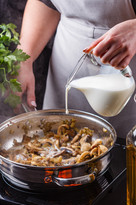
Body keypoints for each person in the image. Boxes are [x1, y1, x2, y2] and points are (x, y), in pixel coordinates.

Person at [17, 0, 136, 138]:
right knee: (56, 140)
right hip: (67, 57)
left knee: (127, 150)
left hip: (127, 69)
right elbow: (45, 3)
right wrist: (23, 59)